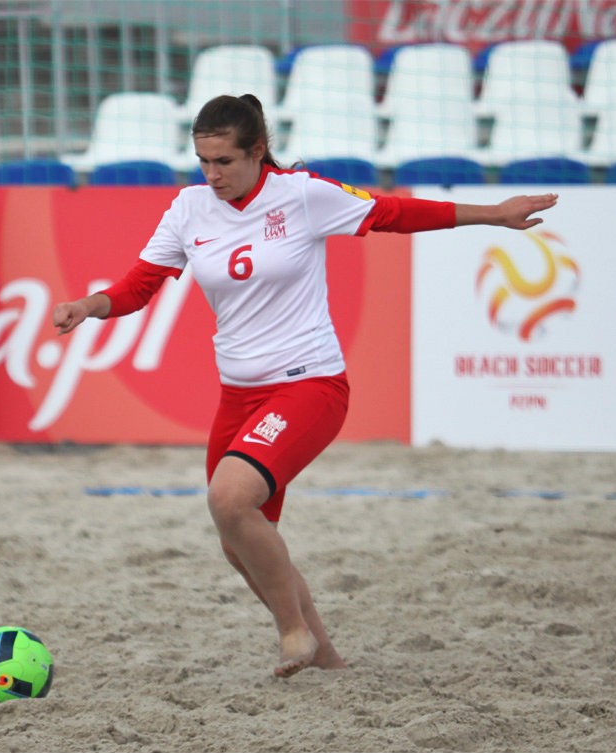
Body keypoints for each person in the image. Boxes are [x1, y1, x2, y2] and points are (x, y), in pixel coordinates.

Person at [52, 94, 558, 678]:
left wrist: (494, 214)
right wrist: (88, 305)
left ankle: (291, 631)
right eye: (203, 161)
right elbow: (142, 284)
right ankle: (327, 658)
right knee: (239, 540)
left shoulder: (301, 194)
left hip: (308, 385)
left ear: (258, 151)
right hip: (238, 397)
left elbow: (396, 213)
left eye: (223, 162)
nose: (211, 175)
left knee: (229, 500)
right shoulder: (190, 207)